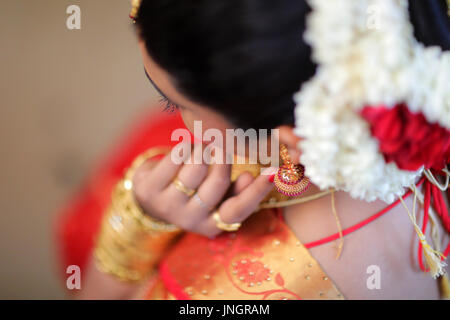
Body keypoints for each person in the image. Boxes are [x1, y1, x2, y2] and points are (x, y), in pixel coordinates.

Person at [56, 0, 450, 299]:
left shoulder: (235, 287)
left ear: (290, 141)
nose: (179, 124)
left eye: (174, 103)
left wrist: (136, 226)